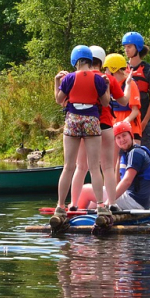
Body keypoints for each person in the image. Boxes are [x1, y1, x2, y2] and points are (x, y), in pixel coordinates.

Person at [53, 45, 111, 220]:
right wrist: (106, 86)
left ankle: (60, 206)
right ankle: (101, 205)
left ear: (75, 61)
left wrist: (57, 82)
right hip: (92, 121)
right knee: (94, 167)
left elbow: (59, 99)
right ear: (90, 60)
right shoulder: (98, 79)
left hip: (72, 120)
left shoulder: (69, 78)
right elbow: (106, 102)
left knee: (69, 167)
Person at [69, 46, 131, 209]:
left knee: (81, 167)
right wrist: (129, 84)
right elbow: (124, 101)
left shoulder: (78, 77)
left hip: (85, 128)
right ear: (102, 61)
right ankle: (112, 203)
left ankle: (74, 204)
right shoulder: (107, 78)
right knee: (108, 167)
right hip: (105, 126)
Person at [78, 121, 150, 212]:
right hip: (135, 200)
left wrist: (109, 202)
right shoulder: (126, 153)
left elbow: (127, 181)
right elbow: (117, 183)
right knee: (93, 204)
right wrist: (119, 157)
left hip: (134, 201)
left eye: (124, 135)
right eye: (118, 137)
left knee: (85, 190)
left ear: (131, 134)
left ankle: (76, 216)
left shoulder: (135, 153)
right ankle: (84, 213)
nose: (122, 140)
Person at [122, 32, 150, 155]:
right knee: (124, 156)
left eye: (129, 47)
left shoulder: (149, 70)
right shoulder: (121, 69)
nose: (126, 50)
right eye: (125, 47)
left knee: (145, 155)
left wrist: (144, 122)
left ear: (137, 48)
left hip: (143, 119)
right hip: (126, 118)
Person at [104, 53, 142, 144]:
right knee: (115, 158)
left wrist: (124, 122)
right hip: (115, 127)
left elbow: (135, 110)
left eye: (106, 69)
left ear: (114, 69)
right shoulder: (110, 84)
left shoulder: (130, 84)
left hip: (131, 127)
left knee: (132, 156)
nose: (105, 72)